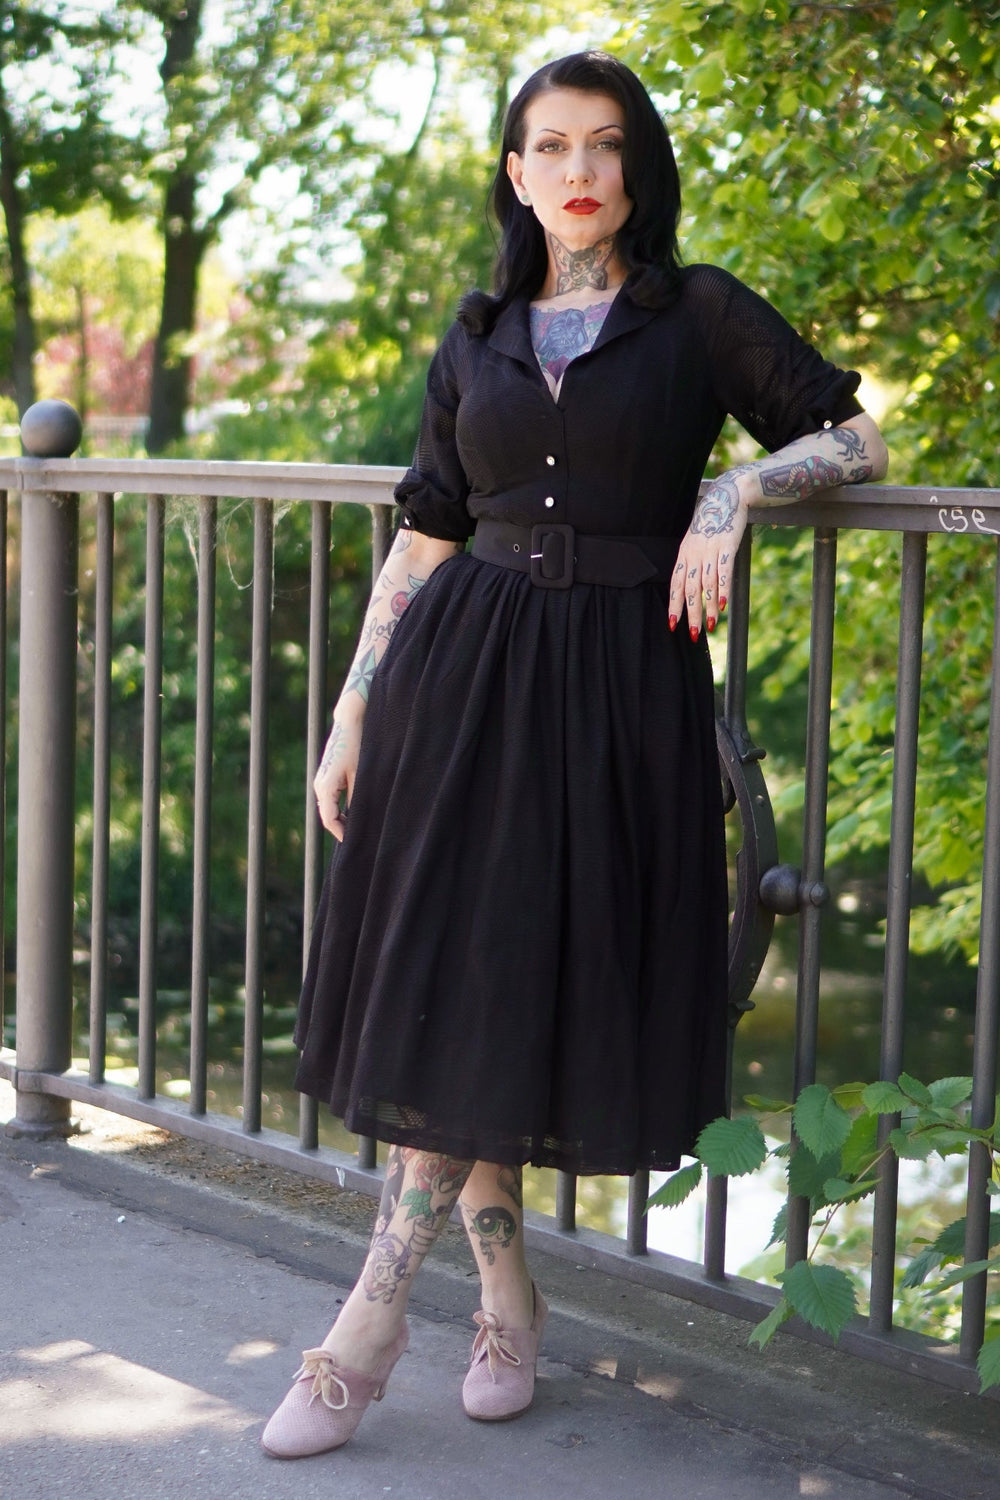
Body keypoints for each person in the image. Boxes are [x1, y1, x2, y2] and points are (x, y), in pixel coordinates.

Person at [262, 51, 888, 1458]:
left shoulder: (697, 312)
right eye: (550, 146)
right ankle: (500, 1302)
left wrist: (735, 489)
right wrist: (354, 710)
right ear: (517, 174)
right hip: (458, 689)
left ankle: (368, 1324)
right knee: (462, 988)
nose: (580, 170)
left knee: (514, 984)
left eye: (605, 144)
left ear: (637, 167)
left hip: (611, 699)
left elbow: (854, 437)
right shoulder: (478, 331)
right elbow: (426, 532)